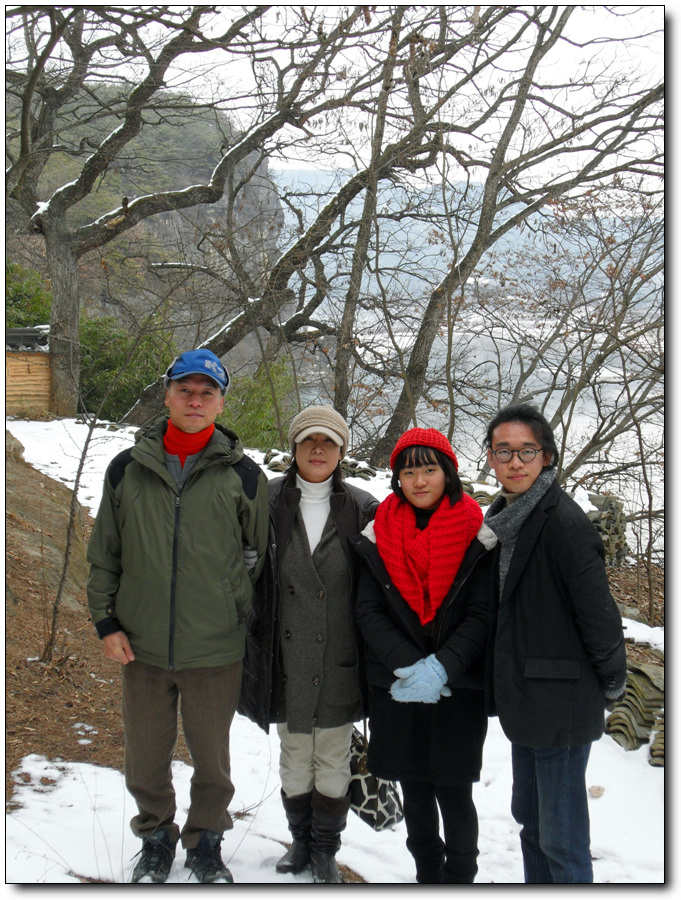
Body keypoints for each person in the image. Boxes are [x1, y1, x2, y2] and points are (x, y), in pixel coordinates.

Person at [86, 349, 269, 884]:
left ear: (220, 403)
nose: (195, 400)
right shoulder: (127, 468)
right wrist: (106, 623)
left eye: (207, 392)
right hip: (140, 643)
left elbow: (256, 555)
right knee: (145, 756)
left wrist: (231, 608)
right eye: (185, 390)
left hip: (215, 645)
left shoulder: (244, 475)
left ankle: (206, 841)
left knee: (212, 759)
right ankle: (155, 838)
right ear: (166, 395)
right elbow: (105, 554)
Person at [482, 403, 627, 884]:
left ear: (546, 456)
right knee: (531, 823)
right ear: (490, 458)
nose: (515, 462)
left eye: (527, 451)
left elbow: (598, 614)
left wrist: (612, 681)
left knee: (562, 841)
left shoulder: (564, 523)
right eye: (504, 451)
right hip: (526, 699)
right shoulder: (505, 517)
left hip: (561, 702)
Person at [238, 406, 378, 883]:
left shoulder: (362, 507)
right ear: (294, 447)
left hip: (340, 654)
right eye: (309, 440)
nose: (318, 449)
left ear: (342, 451)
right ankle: (300, 842)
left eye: (328, 442)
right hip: (285, 653)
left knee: (333, 755)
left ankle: (325, 850)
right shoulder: (267, 500)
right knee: (295, 754)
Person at [350, 427, 494, 884]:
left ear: (448, 472)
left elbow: (481, 613)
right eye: (408, 472)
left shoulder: (478, 533)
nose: (419, 481)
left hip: (458, 686)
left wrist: (442, 667)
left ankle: (461, 879)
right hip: (396, 685)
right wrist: (409, 666)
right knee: (413, 791)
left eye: (429, 469)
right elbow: (368, 609)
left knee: (454, 793)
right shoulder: (378, 531)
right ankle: (427, 878)